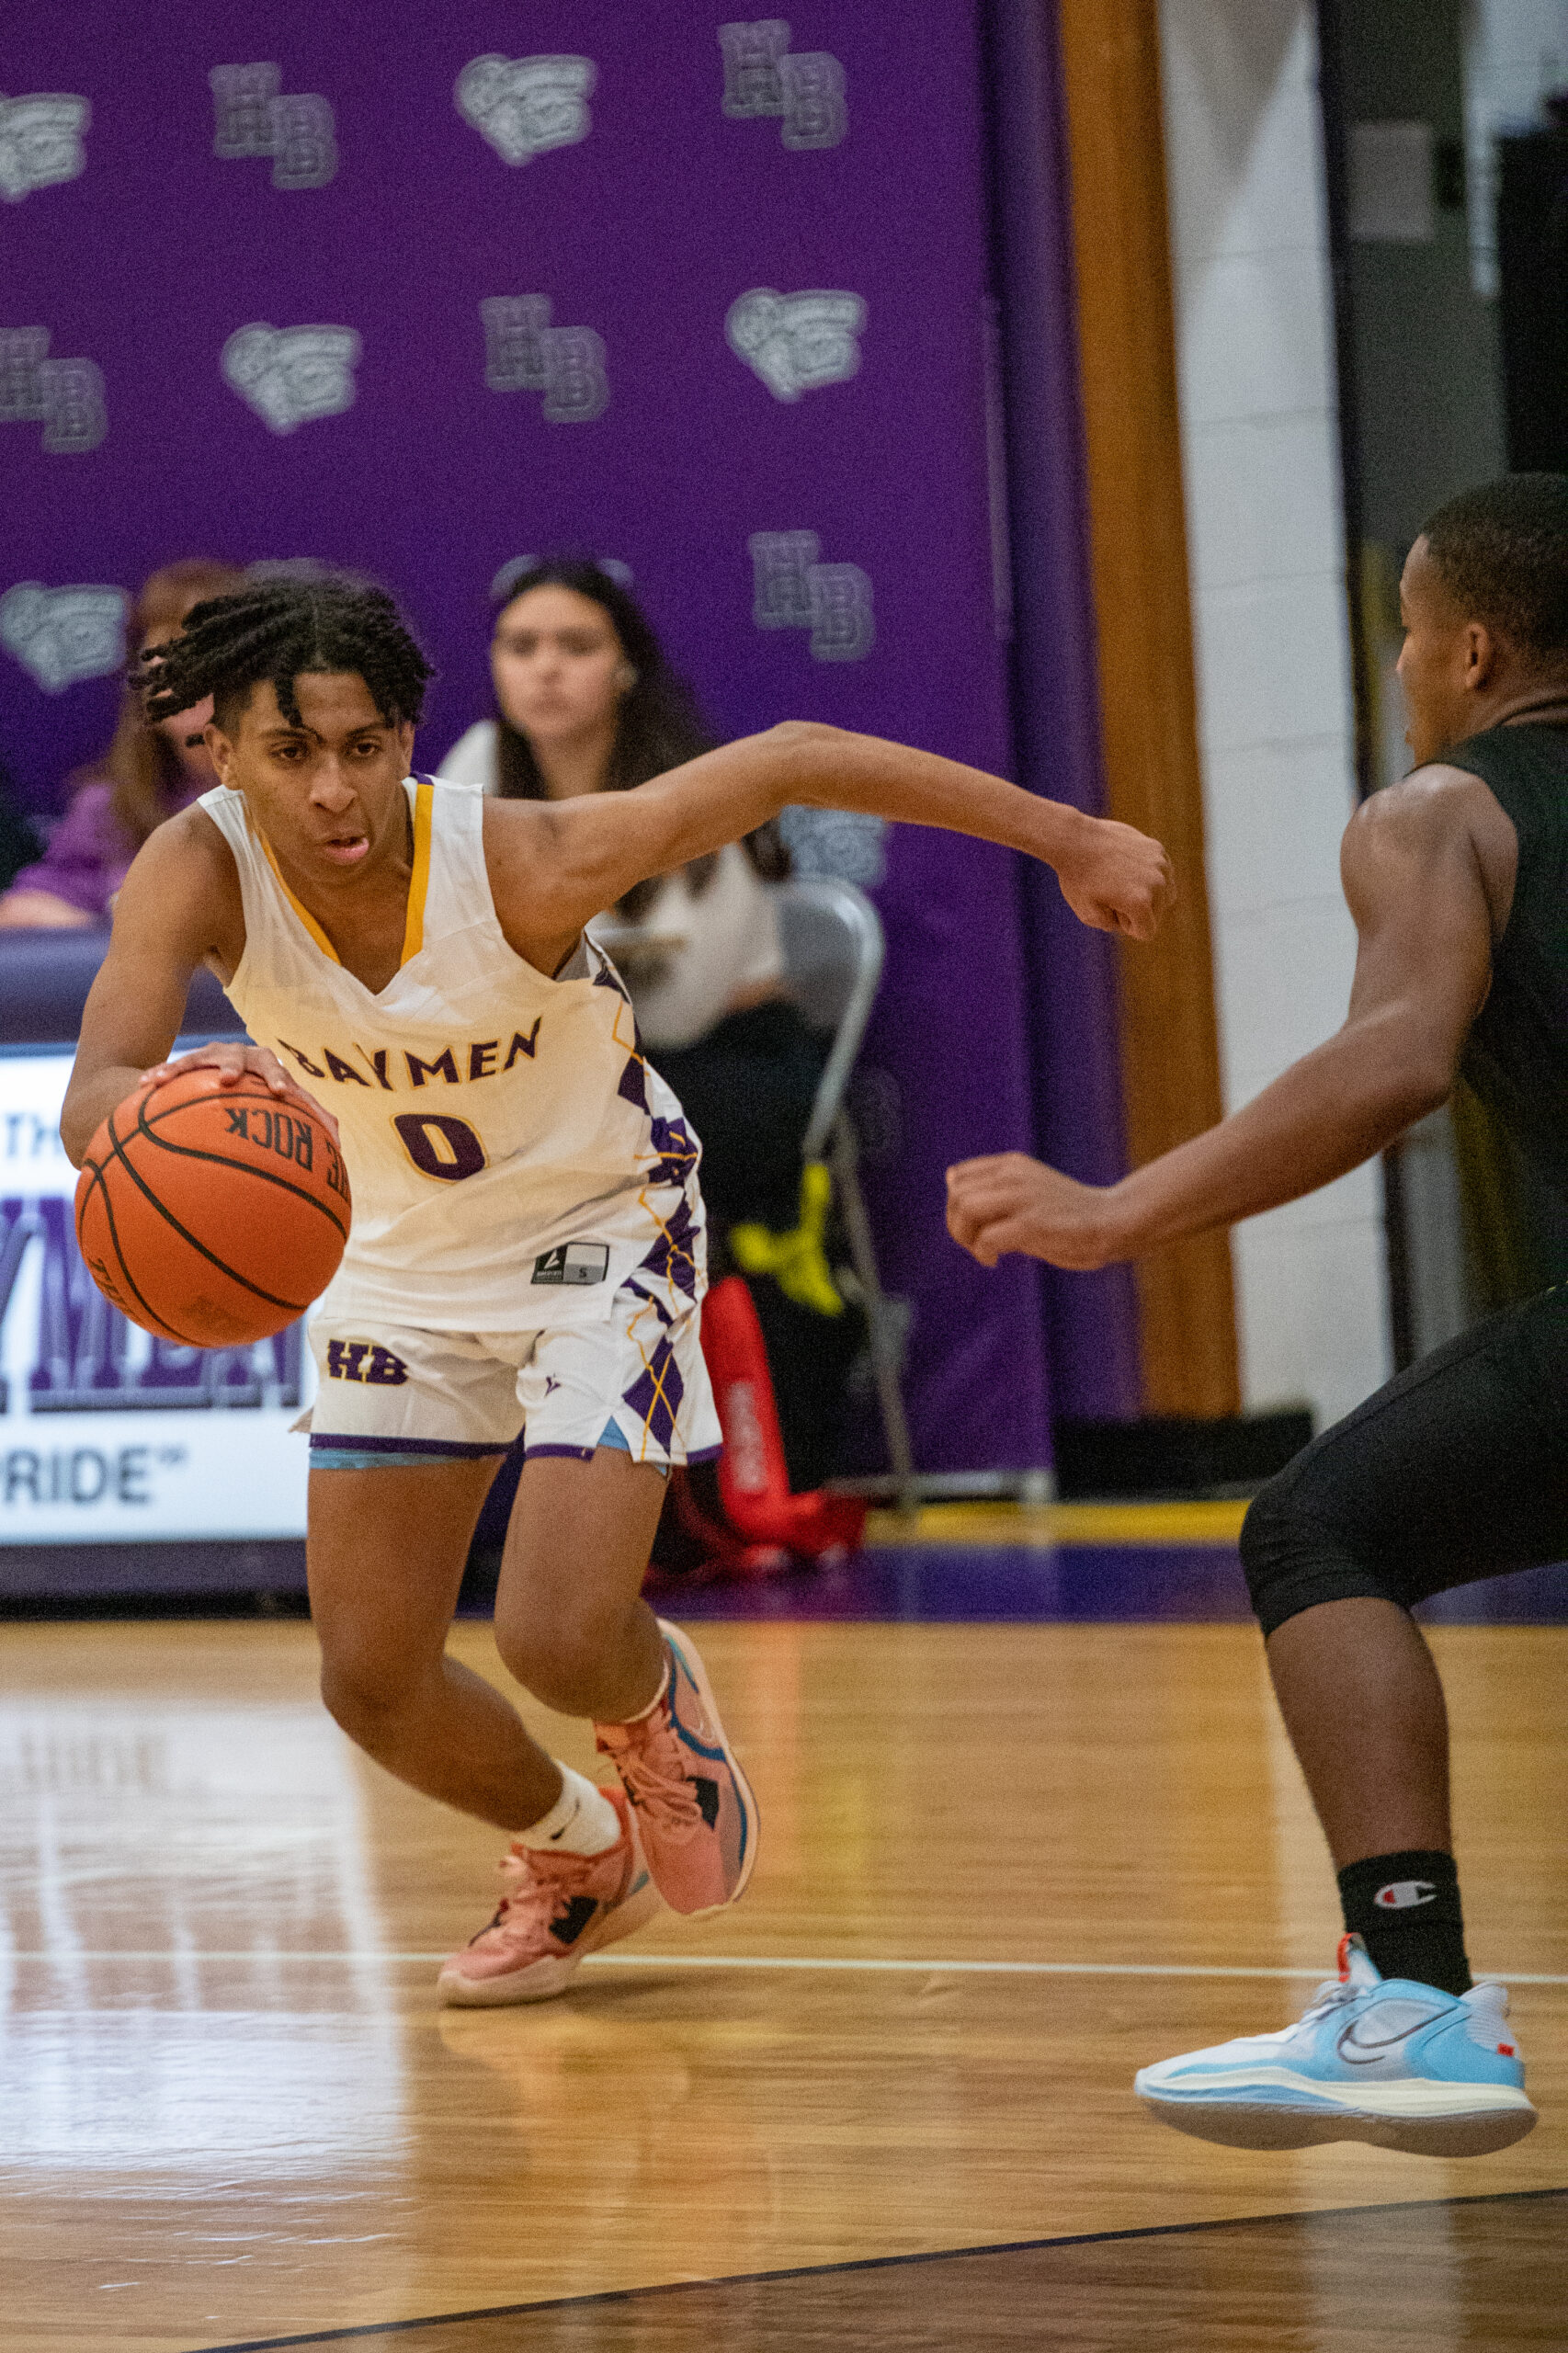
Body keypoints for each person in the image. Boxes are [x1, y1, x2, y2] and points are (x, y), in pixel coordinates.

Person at [62, 574, 1170, 2009]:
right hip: (397, 1263)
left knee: (555, 1634)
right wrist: (162, 1110)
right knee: (371, 1678)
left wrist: (1070, 834)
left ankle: (654, 1713)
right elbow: (97, 1084)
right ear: (222, 753)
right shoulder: (195, 869)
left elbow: (786, 758)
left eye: (363, 746)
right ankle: (577, 1859)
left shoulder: (519, 857)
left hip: (599, 1225)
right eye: (292, 754)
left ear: (406, 733)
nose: (334, 790)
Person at [946, 472, 1568, 2158]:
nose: (1401, 666)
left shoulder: (1434, 810)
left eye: (1405, 633)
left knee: (1317, 1529)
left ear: (1470, 649)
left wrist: (1116, 1207)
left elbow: (1391, 1059)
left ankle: (1415, 2001)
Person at [442, 559, 851, 1487]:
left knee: (586, 1151)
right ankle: (506, 1475)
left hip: (718, 1064)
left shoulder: (689, 783)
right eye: (521, 646)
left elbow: (685, 1002)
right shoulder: (476, 765)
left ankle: (633, 1471)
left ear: (622, 667)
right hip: (562, 1066)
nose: (545, 668)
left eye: (575, 646)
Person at [0, 560, 244, 927]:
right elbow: (25, 907)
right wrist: (111, 936)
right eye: (169, 647)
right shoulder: (107, 808)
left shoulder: (307, 795)